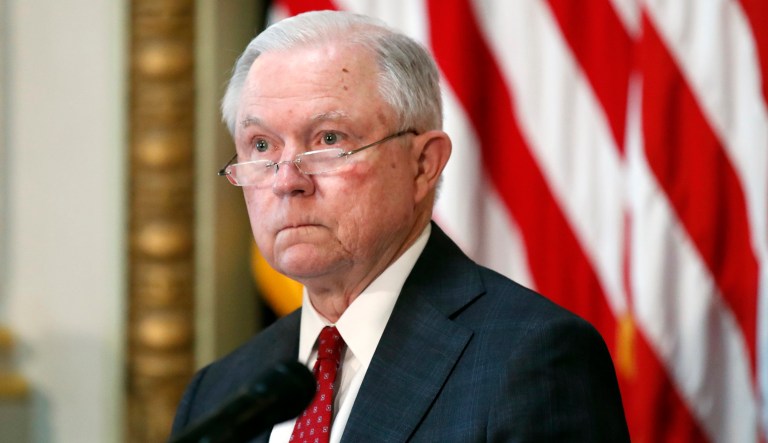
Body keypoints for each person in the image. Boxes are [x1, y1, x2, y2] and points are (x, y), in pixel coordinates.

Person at [171, 10, 630, 442]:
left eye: (329, 139)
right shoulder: (218, 392)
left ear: (423, 164)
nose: (286, 180)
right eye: (261, 145)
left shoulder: (532, 358)